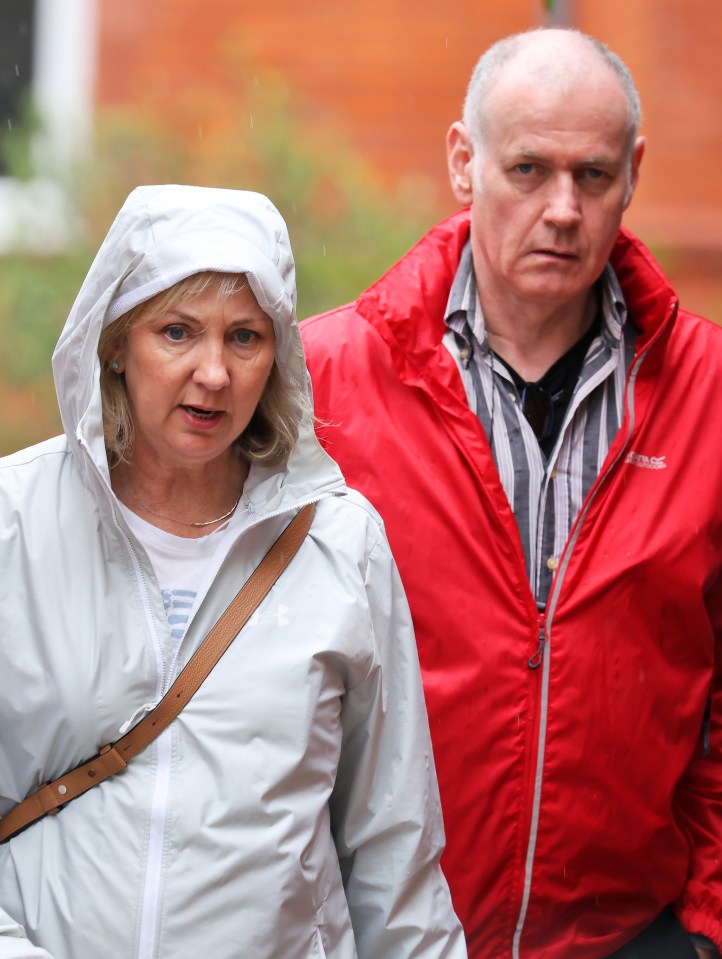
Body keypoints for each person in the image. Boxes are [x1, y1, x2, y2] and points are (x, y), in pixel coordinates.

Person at [300, 27, 722, 959]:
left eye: (593, 175)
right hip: (382, 936)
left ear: (634, 173)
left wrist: (703, 927)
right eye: (528, 170)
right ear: (464, 161)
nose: (563, 209)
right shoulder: (326, 380)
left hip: (632, 937)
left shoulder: (708, 392)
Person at [0, 184, 467, 959]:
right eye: (177, 331)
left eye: (244, 338)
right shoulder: (15, 520)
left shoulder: (340, 544)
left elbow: (394, 849)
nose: (213, 373)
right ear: (116, 343)